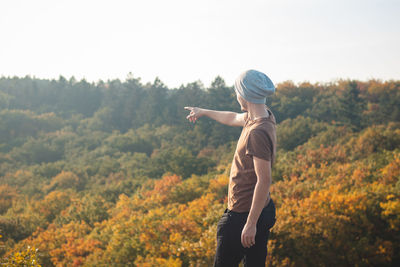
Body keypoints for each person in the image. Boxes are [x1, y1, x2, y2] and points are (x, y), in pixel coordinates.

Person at [184, 69, 277, 267]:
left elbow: (264, 180)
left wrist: (250, 224)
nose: (236, 96)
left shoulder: (257, 132)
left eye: (237, 91)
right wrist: (204, 112)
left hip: (244, 215)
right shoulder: (262, 117)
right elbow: (232, 117)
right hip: (259, 209)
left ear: (244, 94)